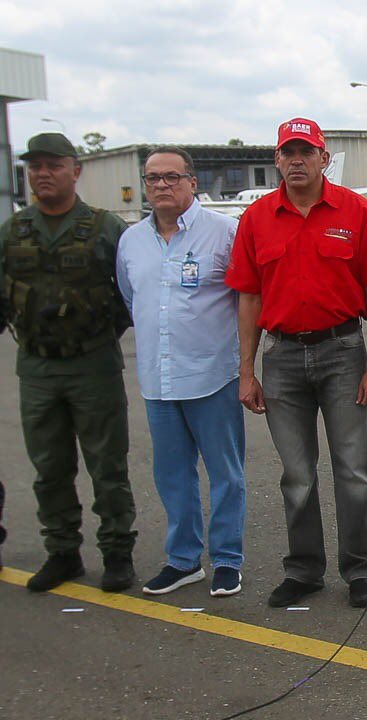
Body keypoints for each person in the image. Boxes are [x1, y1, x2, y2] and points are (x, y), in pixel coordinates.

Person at [226, 117, 367, 608]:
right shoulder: (257, 219)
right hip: (281, 359)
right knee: (297, 474)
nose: (297, 161)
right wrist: (247, 371)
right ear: (277, 160)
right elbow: (248, 298)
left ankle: (360, 571)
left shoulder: (356, 211)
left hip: (344, 352)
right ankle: (304, 570)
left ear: (324, 158)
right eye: (288, 153)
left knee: (353, 471)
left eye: (307, 152)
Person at [0, 133, 136, 593]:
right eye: (34, 166)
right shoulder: (13, 230)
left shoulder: (104, 227)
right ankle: (62, 552)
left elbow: (130, 294)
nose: (43, 173)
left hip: (93, 364)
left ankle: (118, 552)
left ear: (74, 170)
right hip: (36, 368)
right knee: (50, 467)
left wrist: (101, 336)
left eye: (53, 165)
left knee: (107, 467)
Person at [116, 146, 246, 597]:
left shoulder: (225, 233)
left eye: (172, 177)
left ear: (193, 181)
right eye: (153, 178)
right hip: (159, 378)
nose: (162, 185)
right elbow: (132, 299)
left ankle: (227, 558)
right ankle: (184, 560)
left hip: (213, 375)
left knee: (226, 472)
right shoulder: (131, 240)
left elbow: (248, 297)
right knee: (172, 475)